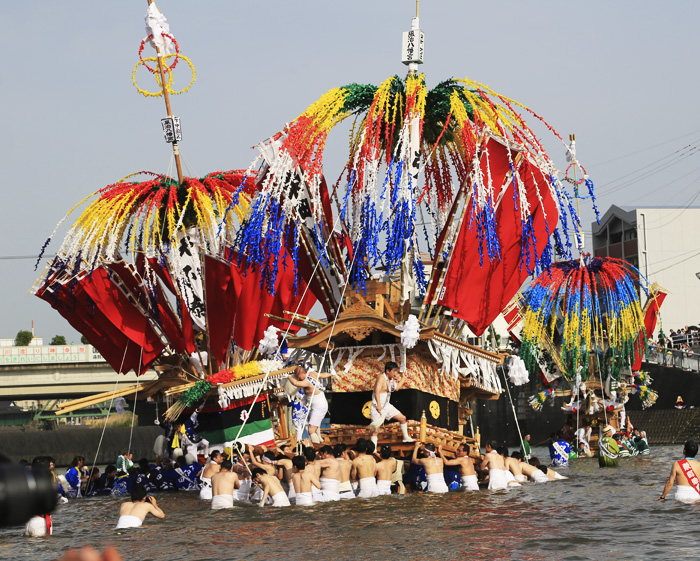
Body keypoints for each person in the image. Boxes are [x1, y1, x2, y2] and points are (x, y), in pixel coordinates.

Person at [370, 361, 414, 447]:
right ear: (387, 371)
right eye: (393, 371)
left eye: (396, 371)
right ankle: (373, 449)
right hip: (377, 405)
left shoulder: (391, 379)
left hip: (386, 405)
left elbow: (396, 388)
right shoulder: (381, 378)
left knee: (402, 418)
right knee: (376, 430)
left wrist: (404, 378)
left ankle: (405, 437)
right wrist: (378, 405)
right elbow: (376, 392)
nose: (395, 373)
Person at [287, 364, 332, 443]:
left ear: (303, 373)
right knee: (312, 422)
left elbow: (296, 383)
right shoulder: (313, 374)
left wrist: (288, 376)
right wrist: (331, 373)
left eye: (298, 376)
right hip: (316, 405)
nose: (298, 378)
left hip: (319, 406)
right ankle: (319, 439)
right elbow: (322, 375)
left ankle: (316, 447)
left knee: (311, 430)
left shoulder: (307, 381)